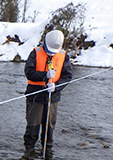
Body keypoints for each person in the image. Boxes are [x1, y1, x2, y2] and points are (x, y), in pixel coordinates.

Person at [23, 30, 72, 158]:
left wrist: (56, 86)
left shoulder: (63, 56)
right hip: (35, 96)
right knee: (33, 126)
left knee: (49, 126)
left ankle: (47, 151)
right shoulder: (35, 52)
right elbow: (28, 72)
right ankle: (29, 151)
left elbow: (67, 76)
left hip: (53, 97)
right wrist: (44, 76)